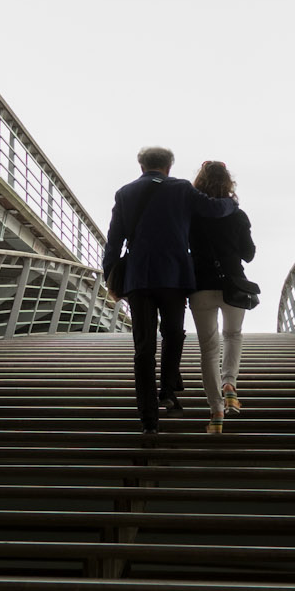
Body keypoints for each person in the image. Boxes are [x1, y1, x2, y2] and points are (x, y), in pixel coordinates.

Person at [102, 146, 239, 434]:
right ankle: (166, 389)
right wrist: (234, 204)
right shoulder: (181, 189)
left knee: (143, 348)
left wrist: (110, 278)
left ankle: (149, 420)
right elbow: (214, 209)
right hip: (175, 277)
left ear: (142, 166)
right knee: (174, 333)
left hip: (139, 279)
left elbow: (113, 241)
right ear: (169, 166)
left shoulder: (125, 193)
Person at [187, 161, 255, 434]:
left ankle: (216, 412)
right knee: (233, 335)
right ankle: (230, 386)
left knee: (208, 348)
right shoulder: (237, 215)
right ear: (229, 183)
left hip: (200, 286)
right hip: (233, 285)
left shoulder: (190, 215)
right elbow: (248, 254)